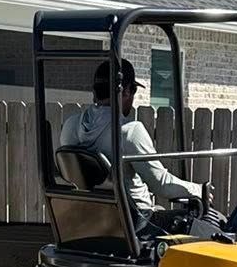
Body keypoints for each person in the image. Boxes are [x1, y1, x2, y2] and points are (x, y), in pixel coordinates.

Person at [60, 59, 202, 224]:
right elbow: (161, 184)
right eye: (133, 90)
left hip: (92, 220)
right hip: (134, 222)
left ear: (96, 91)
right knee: (209, 223)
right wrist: (199, 189)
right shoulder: (129, 131)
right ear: (126, 91)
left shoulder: (70, 126)